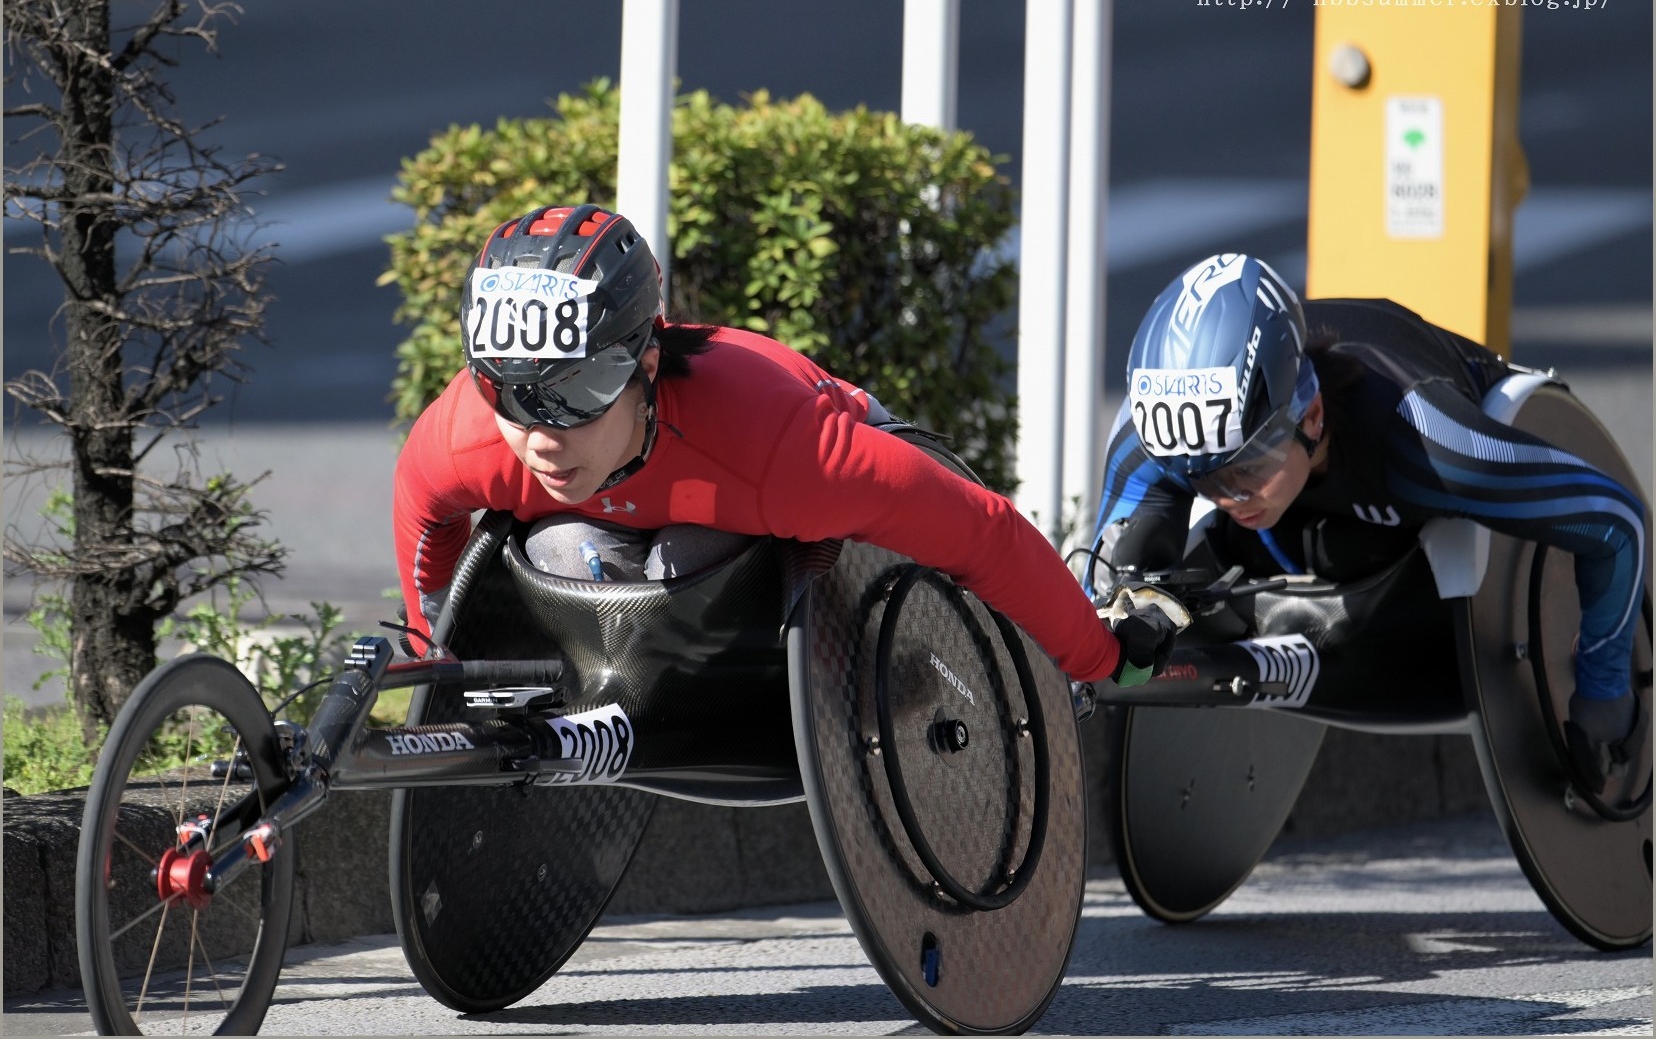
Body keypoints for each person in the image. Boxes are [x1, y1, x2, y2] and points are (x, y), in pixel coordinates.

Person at [392, 203, 1179, 693]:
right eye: (509, 393)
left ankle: (858, 680)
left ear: (646, 367)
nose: (538, 437)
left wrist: (1098, 656)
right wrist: (438, 656)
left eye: (574, 396)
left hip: (768, 508)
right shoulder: (467, 439)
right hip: (645, 532)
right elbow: (423, 514)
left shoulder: (782, 454)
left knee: (683, 554)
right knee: (561, 551)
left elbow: (981, 529)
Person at [1086, 252, 1648, 791]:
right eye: (1205, 479)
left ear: (1311, 414)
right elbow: (1102, 611)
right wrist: (1133, 619)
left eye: (1247, 469)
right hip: (1302, 532)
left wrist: (1604, 690)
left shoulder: (1428, 442)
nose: (1232, 495)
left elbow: (1617, 524)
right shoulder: (1158, 438)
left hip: (1421, 547)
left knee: (1341, 543)